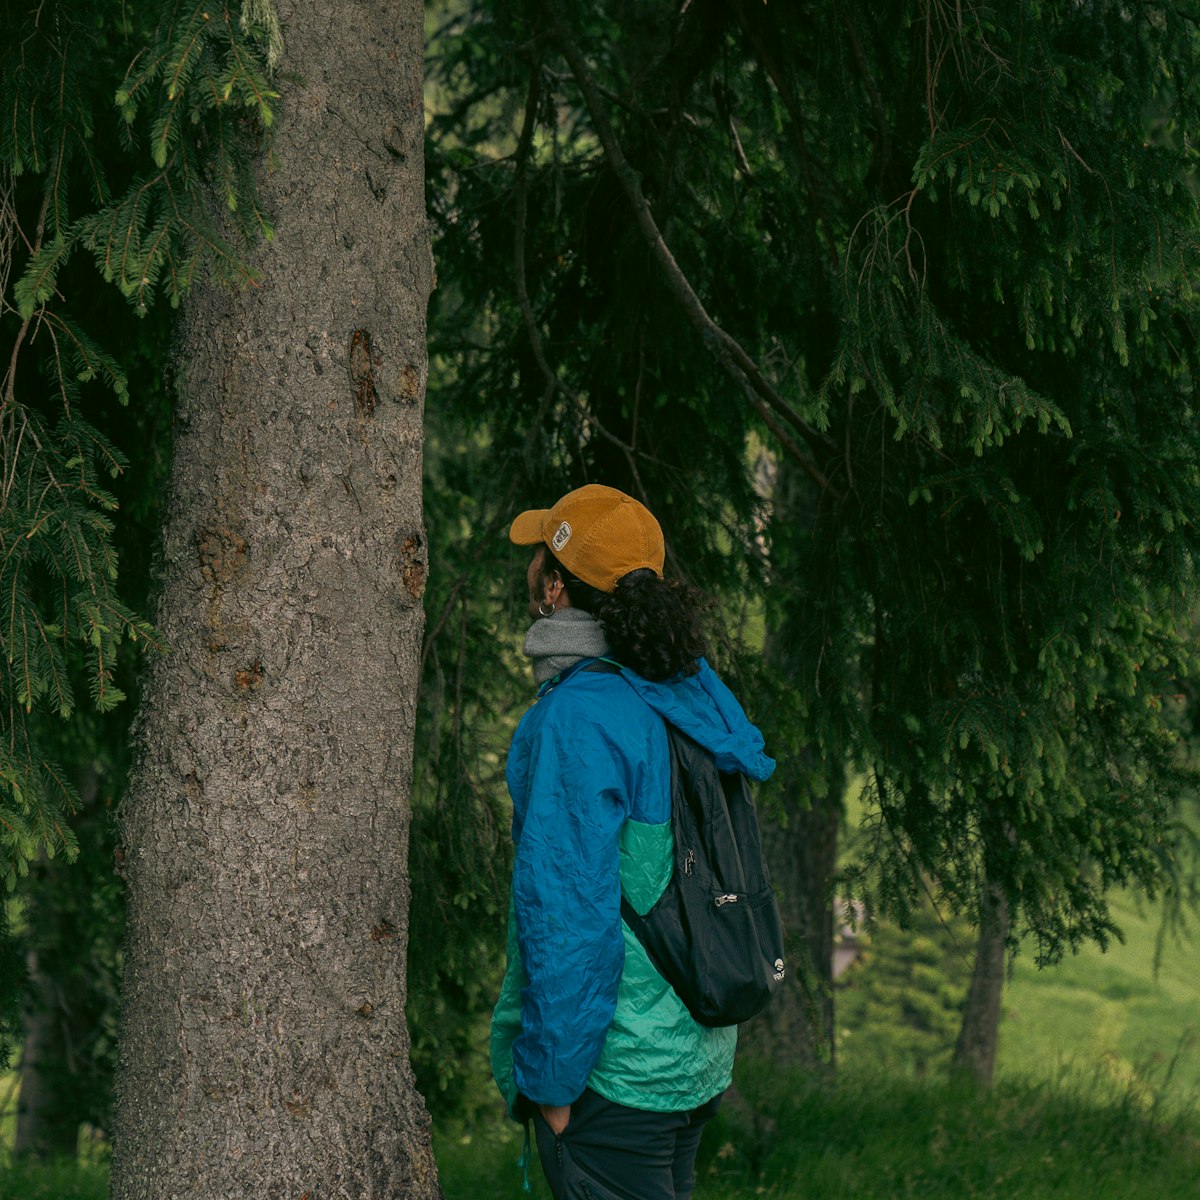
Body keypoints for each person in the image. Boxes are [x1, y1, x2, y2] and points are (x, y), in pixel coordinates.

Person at [490, 484, 775, 1200]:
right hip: (695, 1051)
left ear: (556, 587)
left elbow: (567, 917)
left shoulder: (580, 718)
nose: (531, 577)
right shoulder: (690, 689)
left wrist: (553, 1087)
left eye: (538, 562)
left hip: (615, 1077)